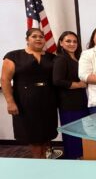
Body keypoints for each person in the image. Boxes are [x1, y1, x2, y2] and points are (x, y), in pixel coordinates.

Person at [1, 28, 58, 158]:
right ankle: (38, 164)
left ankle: (45, 159)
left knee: (46, 135)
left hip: (48, 101)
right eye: (34, 36)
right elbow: (5, 80)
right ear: (27, 39)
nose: (38, 39)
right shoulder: (13, 56)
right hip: (25, 103)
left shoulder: (51, 57)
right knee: (34, 137)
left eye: (41, 36)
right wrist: (10, 102)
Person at [53, 31, 89, 159]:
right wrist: (79, 85)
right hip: (69, 104)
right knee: (72, 135)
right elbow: (57, 80)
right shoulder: (61, 59)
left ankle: (80, 157)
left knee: (81, 134)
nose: (72, 44)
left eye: (74, 41)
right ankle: (72, 161)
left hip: (81, 102)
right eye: (68, 41)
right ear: (61, 43)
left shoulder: (77, 58)